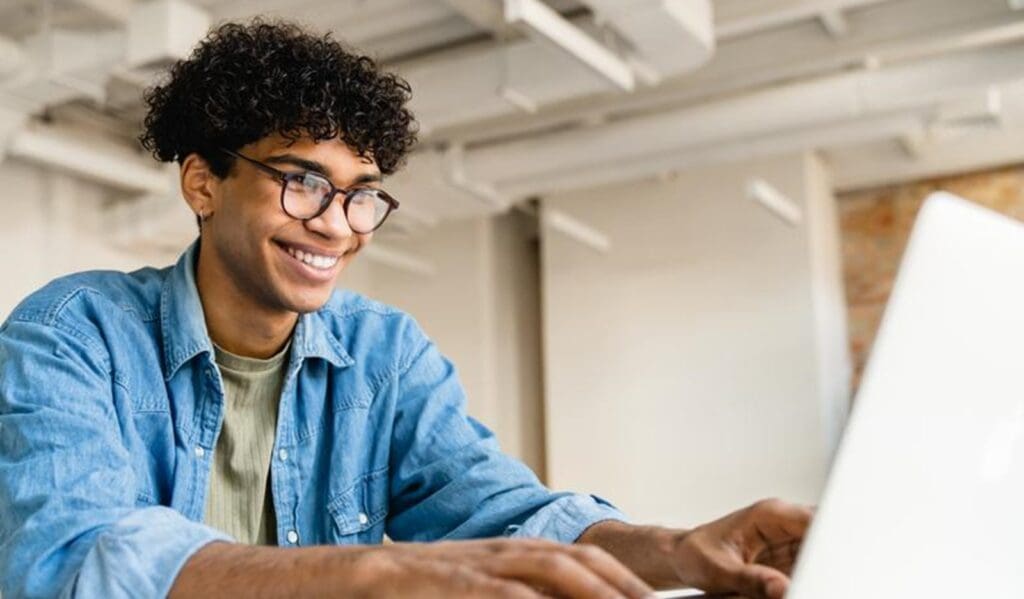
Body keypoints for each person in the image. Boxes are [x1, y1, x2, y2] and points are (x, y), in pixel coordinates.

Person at [0, 20, 811, 599]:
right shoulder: (74, 333)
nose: (334, 222)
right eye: (303, 180)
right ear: (204, 182)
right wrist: (370, 573)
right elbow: (76, 561)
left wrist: (679, 551)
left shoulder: (383, 353)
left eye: (360, 195)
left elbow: (508, 512)